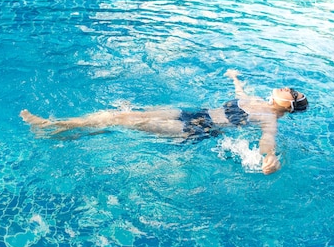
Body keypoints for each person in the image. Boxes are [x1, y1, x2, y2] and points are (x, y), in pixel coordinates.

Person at [20, 69, 308, 175]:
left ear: (290, 106)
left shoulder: (270, 118)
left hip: (196, 129)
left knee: (119, 119)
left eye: (292, 92)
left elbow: (267, 142)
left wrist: (270, 159)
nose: (286, 88)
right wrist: (235, 79)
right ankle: (64, 132)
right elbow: (241, 96)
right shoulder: (259, 101)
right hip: (192, 112)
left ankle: (52, 126)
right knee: (128, 114)